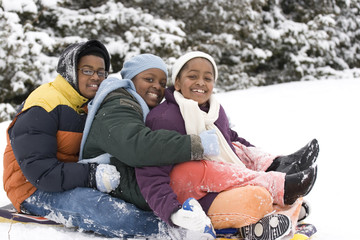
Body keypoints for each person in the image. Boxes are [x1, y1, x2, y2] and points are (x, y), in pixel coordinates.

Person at [3, 41, 206, 239]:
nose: (96, 77)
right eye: (88, 70)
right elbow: (40, 171)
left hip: (71, 177)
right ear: (70, 69)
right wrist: (91, 174)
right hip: (32, 187)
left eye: (101, 72)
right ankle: (180, 233)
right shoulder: (43, 105)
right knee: (110, 213)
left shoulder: (89, 101)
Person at [135, 51, 319, 239]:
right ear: (178, 82)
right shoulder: (164, 118)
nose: (201, 82)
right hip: (192, 197)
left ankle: (278, 168)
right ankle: (281, 196)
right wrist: (174, 212)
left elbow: (231, 139)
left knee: (238, 149)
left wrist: (260, 159)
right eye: (192, 76)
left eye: (208, 78)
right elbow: (150, 173)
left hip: (222, 184)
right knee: (258, 197)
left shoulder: (214, 110)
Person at [79, 53, 221, 239]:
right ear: (130, 80)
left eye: (162, 83)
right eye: (149, 79)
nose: (157, 86)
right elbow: (137, 146)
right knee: (178, 187)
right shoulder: (119, 104)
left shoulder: (143, 107)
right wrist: (196, 145)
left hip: (126, 177)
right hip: (107, 181)